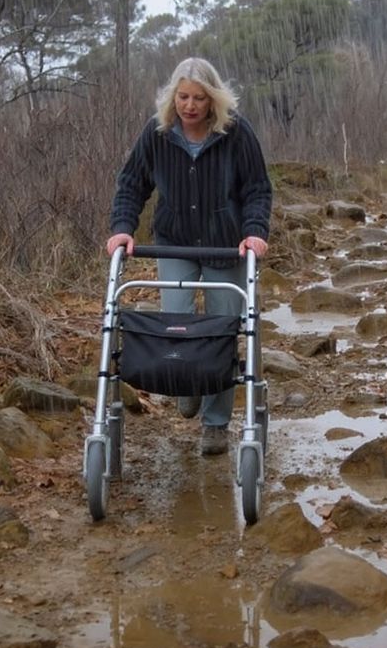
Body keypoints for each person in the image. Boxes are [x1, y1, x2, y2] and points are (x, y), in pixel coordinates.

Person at [106, 57, 272, 456]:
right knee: (175, 325)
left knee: (221, 330)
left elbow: (257, 189)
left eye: (199, 98)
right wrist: (122, 228)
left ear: (213, 99)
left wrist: (254, 232)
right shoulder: (157, 133)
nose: (190, 106)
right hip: (174, 240)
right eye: (183, 97)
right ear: (172, 97)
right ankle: (186, 385)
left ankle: (215, 424)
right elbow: (131, 183)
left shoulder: (236, 133)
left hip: (224, 243)